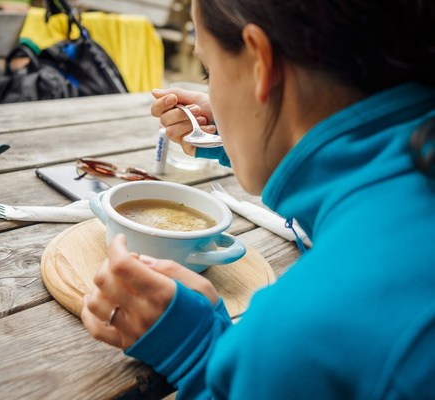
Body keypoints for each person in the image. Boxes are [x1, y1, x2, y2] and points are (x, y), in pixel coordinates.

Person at [81, 0, 435, 398]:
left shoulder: (296, 332)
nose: (208, 88)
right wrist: (255, 126)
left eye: (208, 70)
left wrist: (198, 355)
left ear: (259, 62)